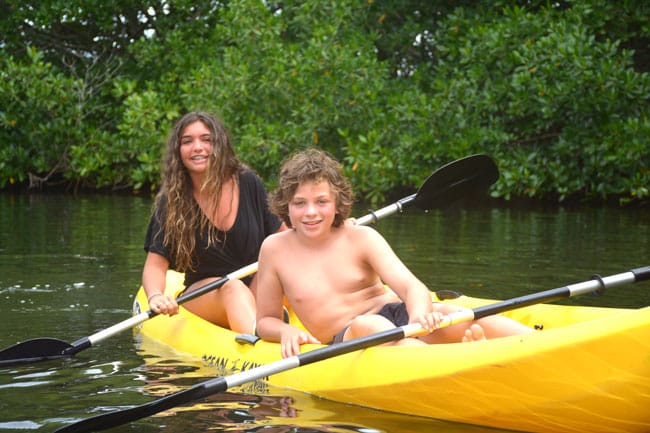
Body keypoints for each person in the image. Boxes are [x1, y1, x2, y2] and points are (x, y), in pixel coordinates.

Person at [255, 148, 533, 358]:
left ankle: (536, 343)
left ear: (338, 203)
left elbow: (412, 288)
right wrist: (287, 330)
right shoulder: (274, 249)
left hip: (398, 317)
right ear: (285, 205)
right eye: (300, 203)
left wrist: (419, 317)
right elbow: (265, 321)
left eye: (321, 201)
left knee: (449, 313)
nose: (311, 212)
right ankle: (456, 360)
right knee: (371, 324)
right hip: (348, 335)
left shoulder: (361, 237)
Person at [142, 111, 286, 334]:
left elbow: (285, 237)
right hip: (206, 292)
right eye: (187, 141)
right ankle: (259, 339)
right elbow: (155, 265)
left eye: (206, 139)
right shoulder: (171, 200)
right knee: (233, 289)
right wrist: (155, 296)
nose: (197, 147)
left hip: (258, 283)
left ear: (219, 145)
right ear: (178, 152)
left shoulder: (248, 182)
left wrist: (331, 230)